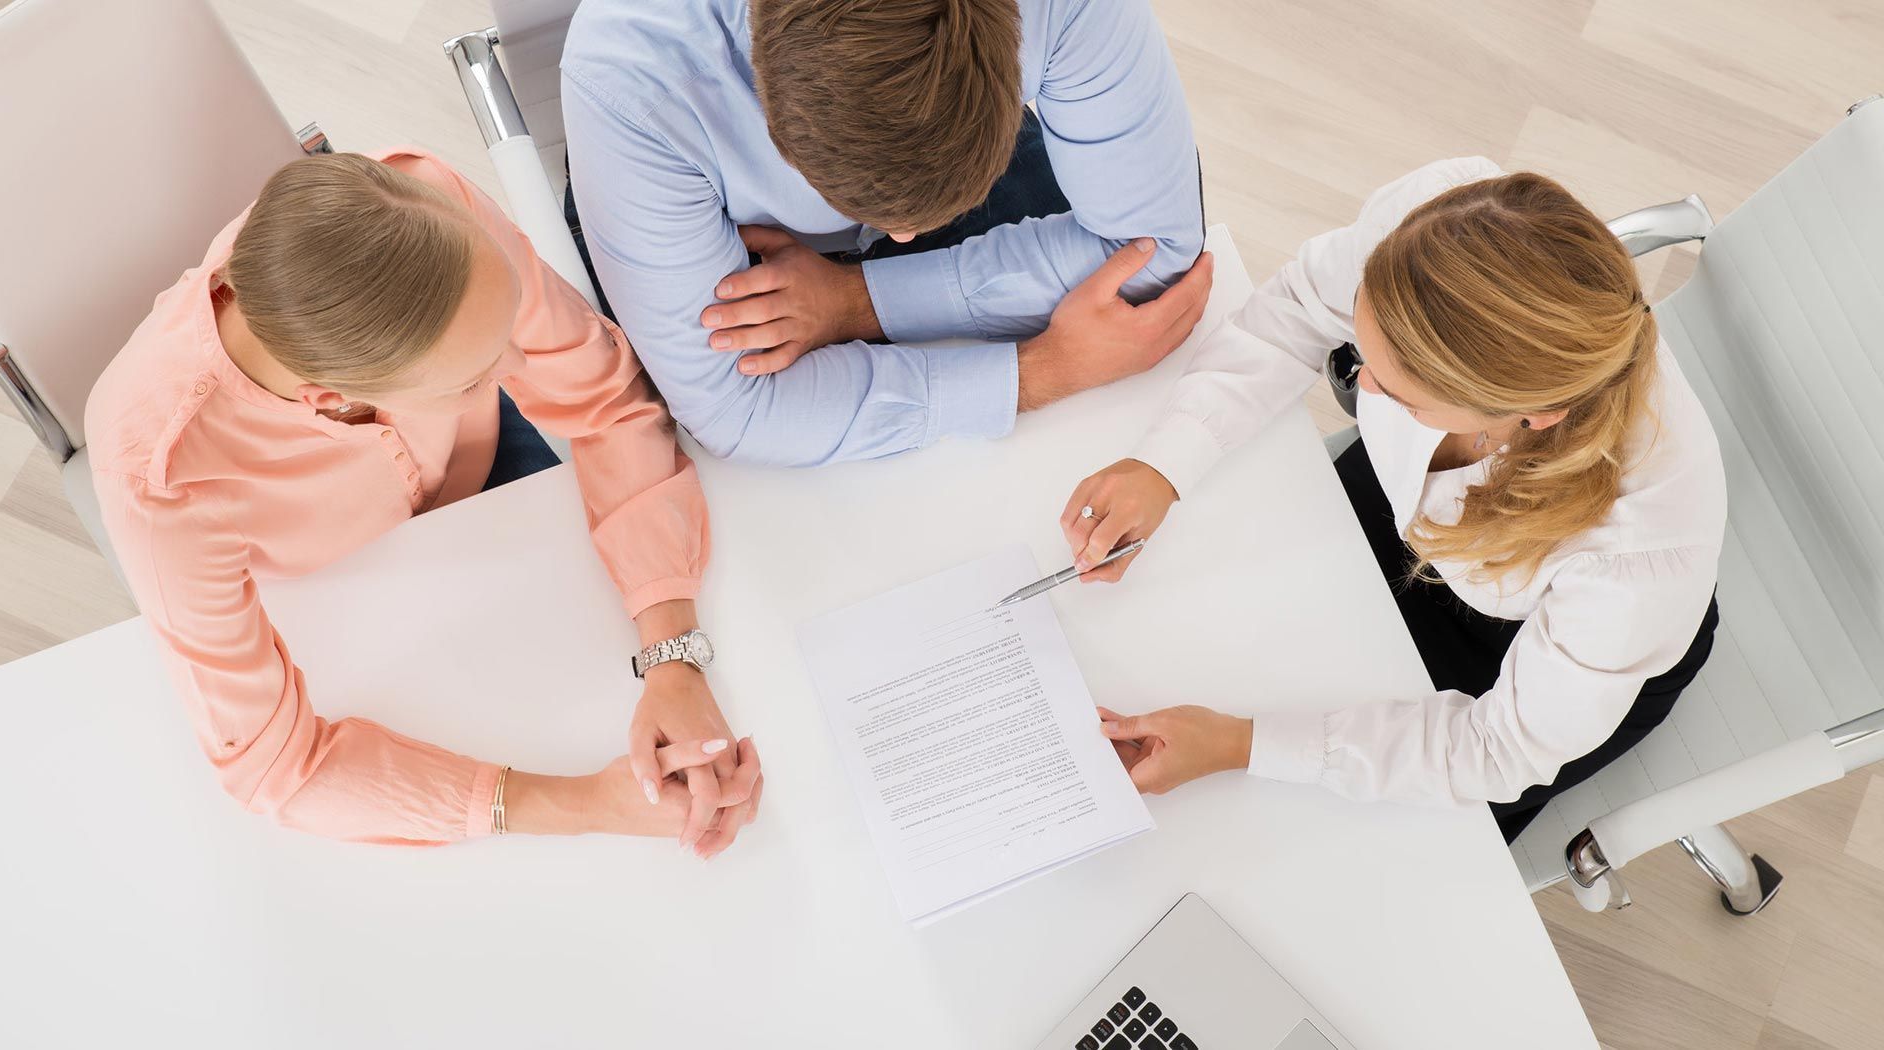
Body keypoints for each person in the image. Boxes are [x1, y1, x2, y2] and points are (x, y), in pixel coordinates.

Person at [85, 149, 760, 853]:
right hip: (341, 590)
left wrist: (671, 652)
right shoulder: (161, 484)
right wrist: (581, 803)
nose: (524, 369)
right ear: (332, 401)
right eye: (474, 376)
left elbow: (602, 399)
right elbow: (278, 769)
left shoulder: (428, 207)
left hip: (489, 482)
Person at [1058, 158, 1725, 842]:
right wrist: (1166, 461)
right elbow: (1295, 311)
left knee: (1351, 841)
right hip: (1410, 514)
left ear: (1532, 413)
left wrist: (1241, 746)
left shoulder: (1631, 566)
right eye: (1362, 351)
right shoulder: (1439, 228)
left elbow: (1498, 751)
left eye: (1400, 392)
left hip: (1522, 646)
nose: (1359, 388)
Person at [560, 0, 1215, 467]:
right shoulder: (629, 74)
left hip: (947, 142)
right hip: (701, 220)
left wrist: (857, 301)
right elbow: (739, 410)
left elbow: (1154, 253)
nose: (904, 238)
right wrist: (1038, 374)